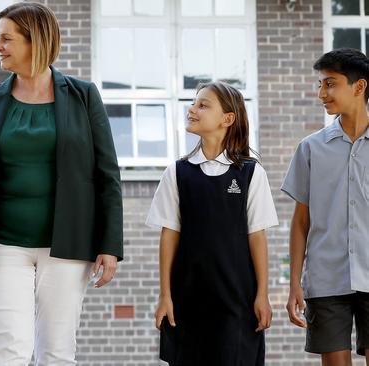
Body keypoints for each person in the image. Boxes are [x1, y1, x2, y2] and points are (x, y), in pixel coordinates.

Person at [0, 2, 123, 365]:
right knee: (10, 345)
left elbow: (107, 175)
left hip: (68, 242)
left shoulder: (84, 96)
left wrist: (109, 244)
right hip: (1, 243)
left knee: (57, 350)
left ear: (36, 41)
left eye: (7, 38)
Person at [148, 81, 277, 365]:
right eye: (194, 103)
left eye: (203, 105)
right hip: (186, 300)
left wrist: (262, 295)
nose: (192, 109)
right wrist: (165, 295)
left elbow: (257, 237)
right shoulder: (177, 173)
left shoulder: (250, 174)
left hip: (238, 301)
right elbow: (169, 236)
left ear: (227, 119)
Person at [283, 48, 369, 366]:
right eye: (320, 84)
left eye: (330, 83)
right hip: (326, 279)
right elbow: (301, 222)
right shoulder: (310, 148)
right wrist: (295, 282)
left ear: (359, 86)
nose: (322, 93)